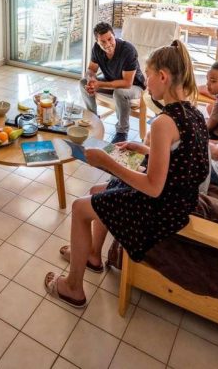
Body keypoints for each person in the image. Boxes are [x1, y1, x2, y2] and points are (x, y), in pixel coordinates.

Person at [46, 40, 209, 308]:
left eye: (148, 75)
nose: (146, 83)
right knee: (97, 192)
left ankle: (73, 287)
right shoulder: (193, 113)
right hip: (180, 200)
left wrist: (107, 162)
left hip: (162, 209)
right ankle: (92, 255)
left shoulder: (164, 122)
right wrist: (144, 149)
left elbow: (153, 187)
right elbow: (181, 158)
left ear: (163, 76)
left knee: (80, 207)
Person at [80, 22, 146, 143]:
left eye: (110, 39)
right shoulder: (96, 49)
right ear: (97, 42)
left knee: (119, 92)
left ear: (114, 35)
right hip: (112, 82)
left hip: (135, 87)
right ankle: (94, 118)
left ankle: (122, 132)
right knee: (83, 82)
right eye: (102, 42)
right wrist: (91, 80)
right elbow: (91, 70)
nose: (107, 44)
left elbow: (127, 83)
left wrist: (100, 84)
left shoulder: (127, 50)